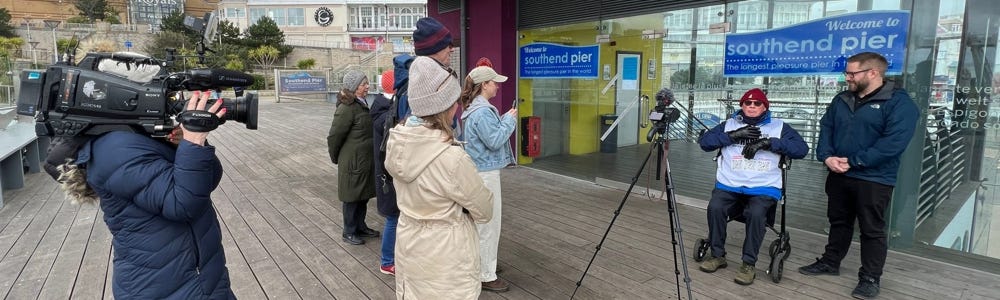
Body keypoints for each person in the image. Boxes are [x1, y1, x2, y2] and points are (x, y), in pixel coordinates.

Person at [47, 91, 234, 299]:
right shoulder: (115, 147)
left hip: (198, 275)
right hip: (166, 284)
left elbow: (207, 181)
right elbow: (182, 204)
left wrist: (192, 145)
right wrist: (193, 141)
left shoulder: (141, 131)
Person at [798, 52, 919, 299]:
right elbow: (826, 127)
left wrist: (854, 161)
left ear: (873, 73)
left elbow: (893, 143)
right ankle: (830, 262)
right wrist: (826, 156)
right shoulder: (842, 99)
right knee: (838, 221)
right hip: (839, 173)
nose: (847, 78)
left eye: (852, 73)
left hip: (874, 178)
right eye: (847, 73)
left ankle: (870, 278)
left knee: (871, 229)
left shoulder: (899, 103)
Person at [384, 56, 494, 300]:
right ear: (446, 106)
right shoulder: (452, 158)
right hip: (447, 260)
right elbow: (485, 211)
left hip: (409, 248)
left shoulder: (397, 142)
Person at [696, 88, 809, 285]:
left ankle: (748, 264)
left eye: (757, 103)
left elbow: (802, 149)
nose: (752, 106)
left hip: (763, 186)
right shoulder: (729, 124)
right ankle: (717, 255)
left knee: (756, 214)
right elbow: (705, 143)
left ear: (765, 106)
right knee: (715, 207)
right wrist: (732, 136)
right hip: (730, 183)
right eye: (748, 103)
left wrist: (769, 142)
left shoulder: (779, 127)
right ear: (742, 106)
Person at [458, 65, 517, 292]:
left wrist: (502, 119)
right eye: (494, 82)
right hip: (486, 174)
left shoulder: (475, 109)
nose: (498, 86)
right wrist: (509, 120)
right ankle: (486, 275)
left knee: (481, 223)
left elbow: (488, 136)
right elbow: (494, 140)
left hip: (479, 171)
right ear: (484, 85)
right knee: (490, 224)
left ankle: (484, 265)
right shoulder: (482, 111)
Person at [328, 70, 379, 245]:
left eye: (366, 84)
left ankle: (360, 226)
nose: (367, 87)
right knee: (351, 197)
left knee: (362, 195)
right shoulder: (347, 108)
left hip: (363, 160)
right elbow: (334, 136)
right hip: (352, 161)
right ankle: (348, 231)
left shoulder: (361, 104)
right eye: (363, 84)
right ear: (354, 87)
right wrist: (336, 158)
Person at [370, 69, 399, 275]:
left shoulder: (381, 106)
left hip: (386, 173)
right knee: (392, 217)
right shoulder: (385, 111)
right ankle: (387, 261)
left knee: (395, 217)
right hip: (386, 175)